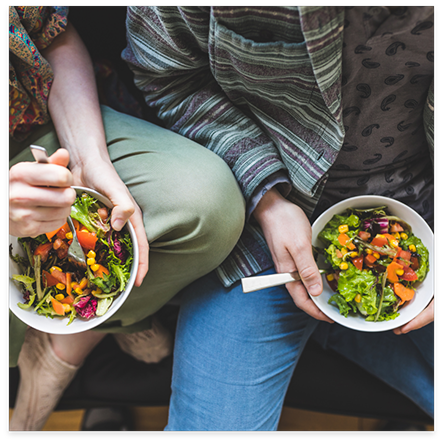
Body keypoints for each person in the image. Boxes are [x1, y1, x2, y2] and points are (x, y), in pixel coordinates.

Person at [121, 6, 434, 430]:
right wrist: (268, 200)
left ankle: (338, 332)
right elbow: (167, 75)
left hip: (421, 203)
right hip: (256, 219)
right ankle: (339, 333)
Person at [9, 6, 245, 431]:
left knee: (208, 203)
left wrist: (88, 159)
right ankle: (56, 348)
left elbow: (52, 36)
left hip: (35, 123)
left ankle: (66, 343)